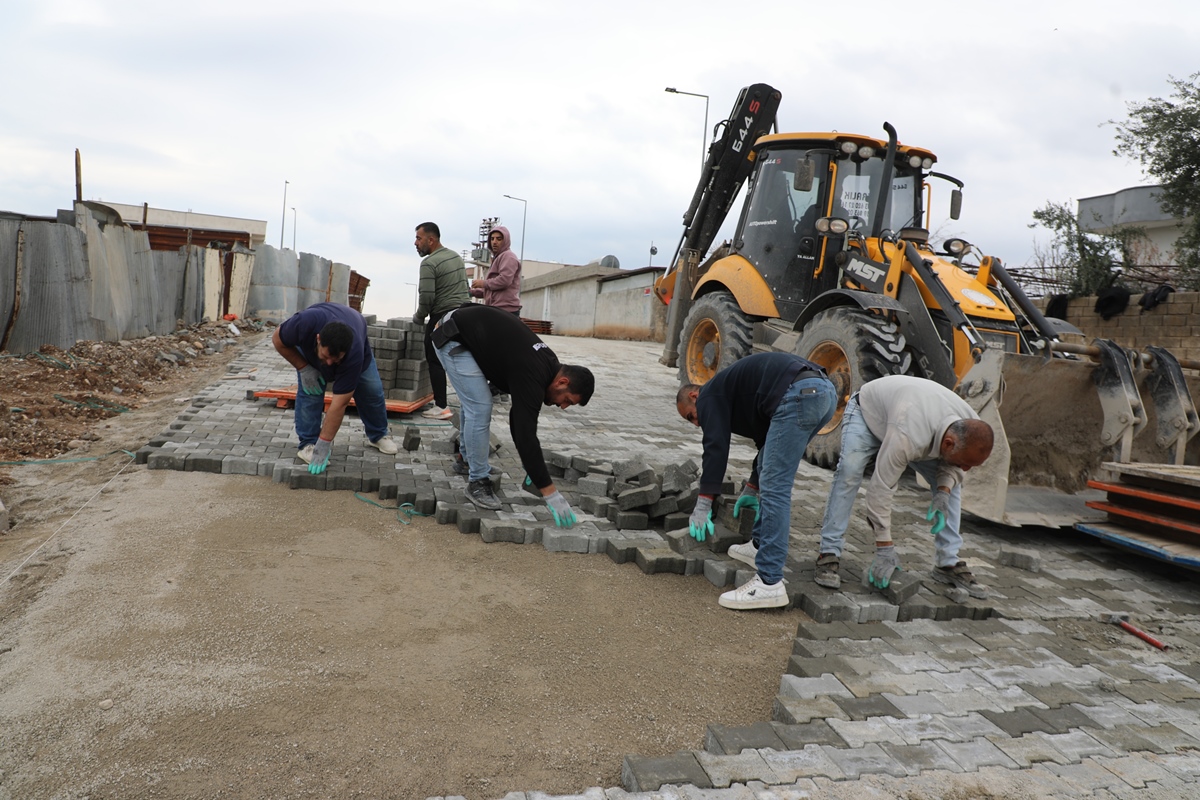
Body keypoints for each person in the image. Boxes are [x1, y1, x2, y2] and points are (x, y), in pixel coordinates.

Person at [676, 352, 836, 611]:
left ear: (694, 396)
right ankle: (759, 545)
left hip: (800, 393)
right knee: (770, 474)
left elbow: (716, 447)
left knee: (776, 488)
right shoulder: (736, 397)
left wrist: (704, 502)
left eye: (691, 416)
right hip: (823, 394)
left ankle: (769, 582)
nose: (696, 424)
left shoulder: (710, 395)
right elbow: (767, 445)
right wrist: (752, 486)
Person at [814, 374, 995, 599]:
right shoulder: (908, 436)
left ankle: (947, 563)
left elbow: (956, 468)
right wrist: (884, 549)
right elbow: (881, 489)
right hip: (869, 414)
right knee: (850, 471)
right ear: (947, 444)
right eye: (964, 464)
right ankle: (829, 552)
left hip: (916, 422)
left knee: (952, 489)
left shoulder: (969, 424)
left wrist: (943, 491)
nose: (965, 470)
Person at [431, 303, 594, 523]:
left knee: (476, 403)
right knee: (479, 406)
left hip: (464, 327)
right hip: (452, 335)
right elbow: (524, 434)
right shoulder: (534, 375)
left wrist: (532, 466)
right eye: (567, 400)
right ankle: (477, 482)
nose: (562, 406)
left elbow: (517, 421)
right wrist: (550, 492)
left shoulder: (548, 366)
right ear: (563, 381)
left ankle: (467, 460)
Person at [272, 302, 399, 474]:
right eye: (326, 356)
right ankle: (308, 443)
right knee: (311, 391)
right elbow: (278, 340)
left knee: (372, 391)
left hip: (356, 337)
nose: (330, 363)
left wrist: (324, 444)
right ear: (318, 339)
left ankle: (378, 435)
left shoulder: (353, 354)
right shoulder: (303, 323)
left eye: (336, 359)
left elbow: (339, 404)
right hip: (312, 344)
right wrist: (304, 368)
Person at [412, 222, 470, 421]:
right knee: (459, 357)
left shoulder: (429, 263)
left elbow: (427, 297)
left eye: (419, 239)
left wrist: (419, 317)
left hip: (442, 315)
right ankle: (469, 402)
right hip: (463, 314)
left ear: (431, 239)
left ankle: (441, 406)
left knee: (433, 356)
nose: (415, 243)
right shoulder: (454, 256)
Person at [470, 225, 521, 314]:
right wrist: (472, 292)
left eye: (499, 239)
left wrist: (483, 283)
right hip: (496, 309)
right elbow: (492, 291)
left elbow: (504, 280)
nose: (494, 242)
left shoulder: (508, 257)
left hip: (505, 310)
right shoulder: (498, 258)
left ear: (505, 240)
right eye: (492, 239)